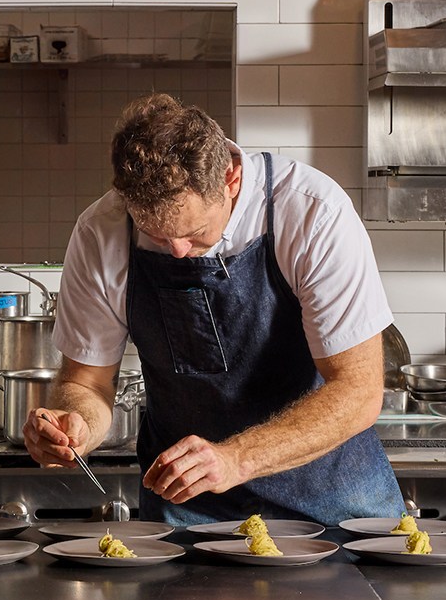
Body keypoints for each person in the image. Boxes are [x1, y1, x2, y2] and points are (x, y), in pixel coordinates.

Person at [24, 96, 404, 529]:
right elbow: (86, 381)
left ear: (231, 178)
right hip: (191, 514)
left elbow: (358, 390)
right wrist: (77, 427)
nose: (179, 252)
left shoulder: (312, 212)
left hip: (335, 506)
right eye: (155, 236)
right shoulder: (101, 232)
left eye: (194, 233)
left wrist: (236, 458)